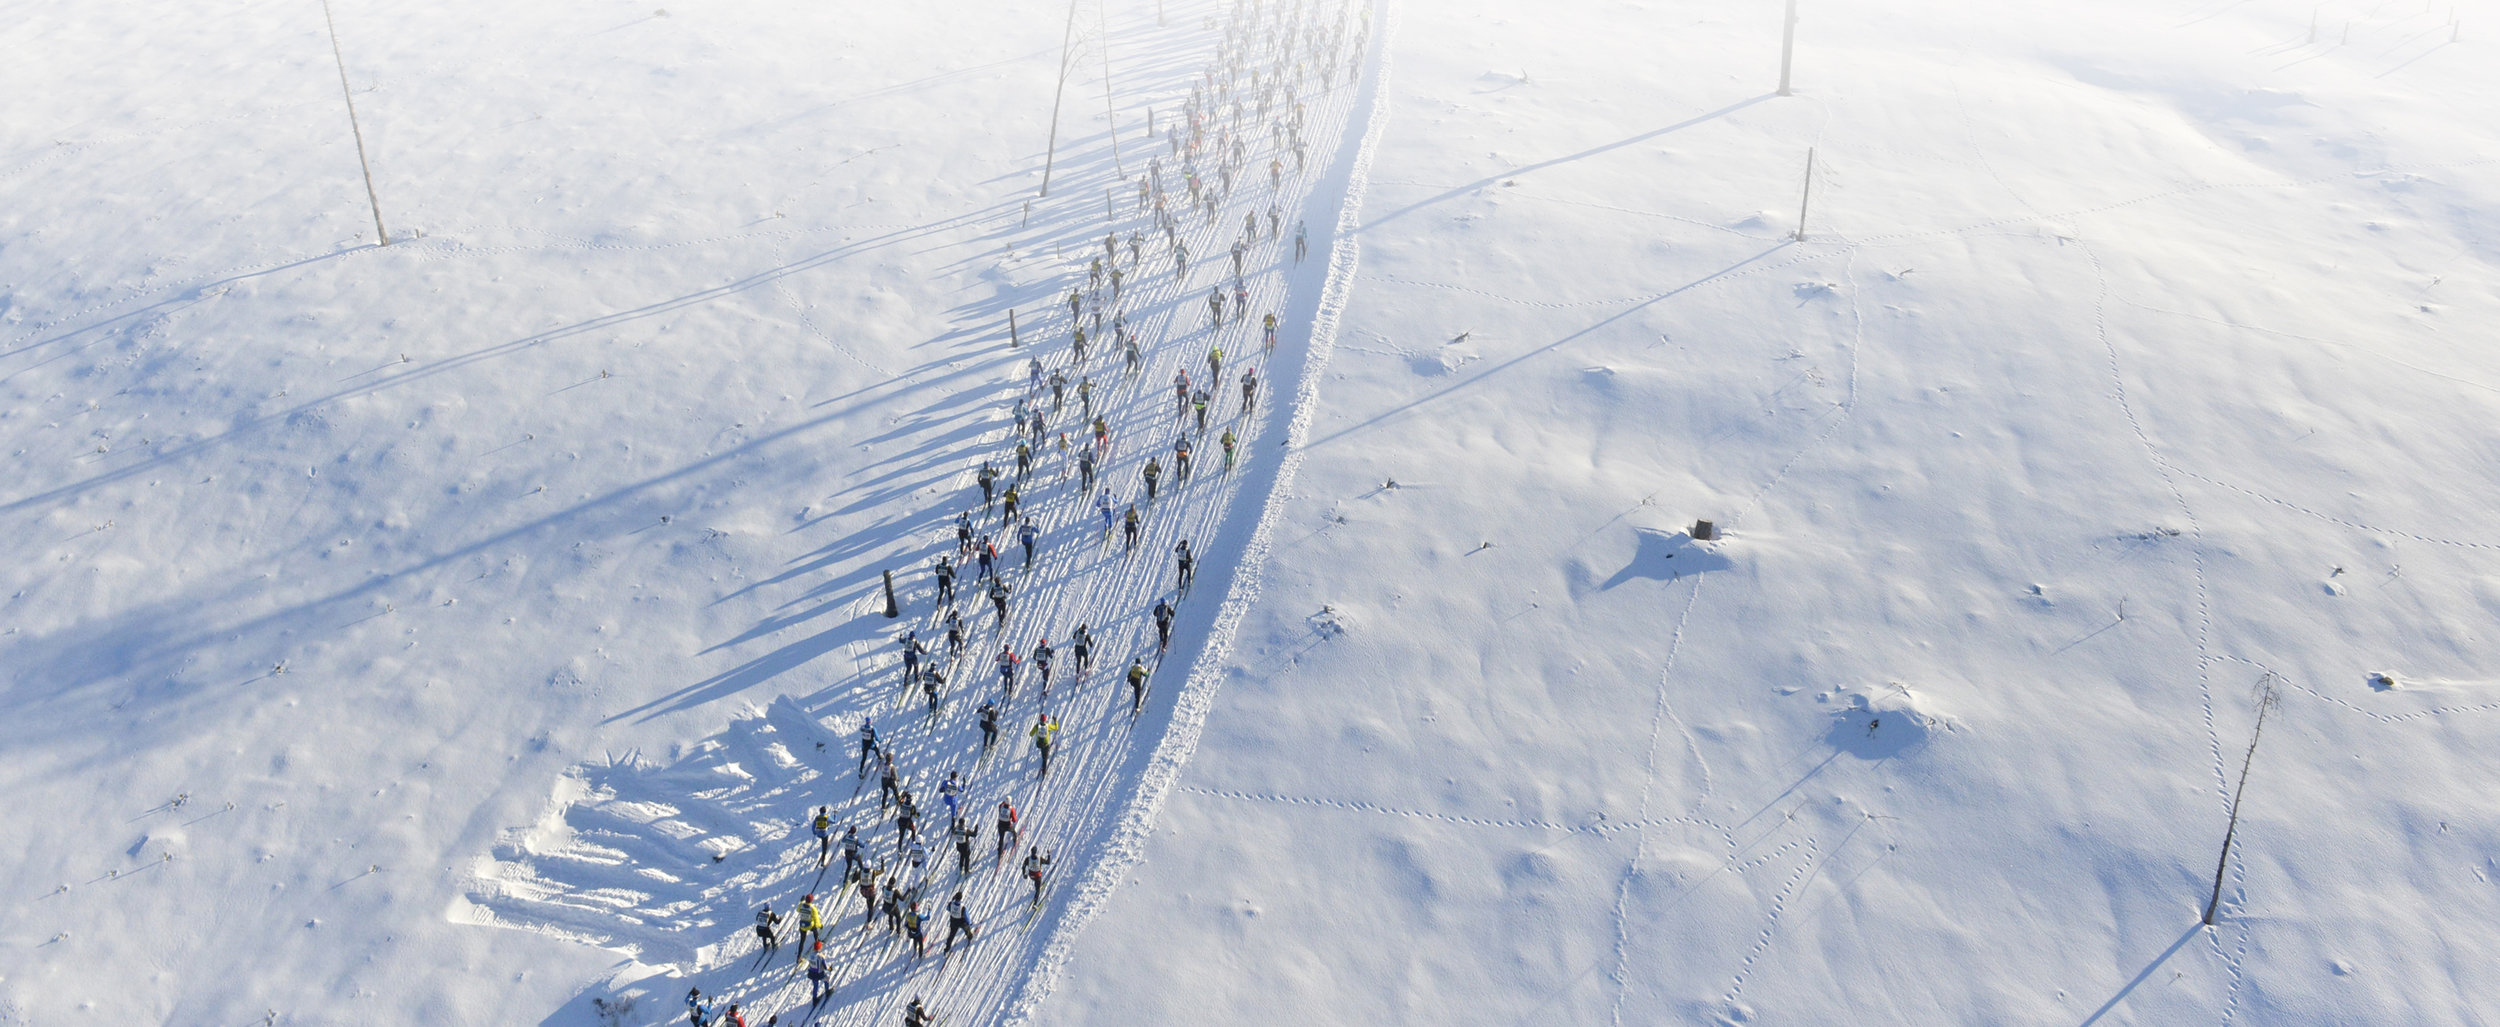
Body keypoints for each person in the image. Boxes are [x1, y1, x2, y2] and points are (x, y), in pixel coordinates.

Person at [1031, 712, 1059, 777]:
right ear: (1045, 720)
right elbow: (1056, 728)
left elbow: (1031, 734)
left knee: (1043, 753)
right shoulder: (1048, 726)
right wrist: (1055, 721)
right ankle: (1044, 772)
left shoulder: (1037, 726)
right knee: (1045, 759)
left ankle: (1043, 756)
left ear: (1040, 719)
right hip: (1046, 744)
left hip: (1039, 744)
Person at [995, 798, 1021, 864]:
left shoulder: (1001, 806)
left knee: (1001, 839)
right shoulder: (1011, 809)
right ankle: (1015, 839)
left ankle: (999, 854)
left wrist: (1004, 801)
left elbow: (1000, 805)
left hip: (1000, 825)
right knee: (1013, 832)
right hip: (1007, 825)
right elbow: (1014, 820)